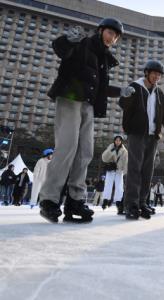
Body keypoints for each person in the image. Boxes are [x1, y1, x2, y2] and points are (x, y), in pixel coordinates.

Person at [39, 18, 134, 223]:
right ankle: (49, 200)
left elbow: (100, 88)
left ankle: (75, 200)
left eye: (116, 36)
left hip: (88, 106)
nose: (113, 38)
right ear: (100, 31)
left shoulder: (104, 58)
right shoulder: (83, 42)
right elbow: (61, 49)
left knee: (85, 152)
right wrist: (69, 39)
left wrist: (121, 91)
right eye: (110, 33)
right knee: (67, 147)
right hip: (70, 99)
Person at [119, 59, 164, 220]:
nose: (157, 77)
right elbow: (123, 104)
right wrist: (126, 94)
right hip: (136, 133)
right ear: (147, 73)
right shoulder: (136, 87)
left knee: (147, 170)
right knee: (135, 169)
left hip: (153, 136)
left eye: (159, 75)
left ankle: (142, 202)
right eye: (154, 74)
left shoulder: (159, 93)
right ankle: (131, 204)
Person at [101, 135, 128, 215]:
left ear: (121, 141)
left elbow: (125, 162)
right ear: (114, 141)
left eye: (119, 140)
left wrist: (125, 172)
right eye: (116, 140)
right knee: (108, 185)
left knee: (119, 187)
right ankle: (105, 201)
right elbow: (104, 158)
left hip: (119, 171)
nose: (118, 142)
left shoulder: (124, 151)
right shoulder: (110, 147)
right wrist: (111, 151)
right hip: (111, 169)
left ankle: (118, 203)